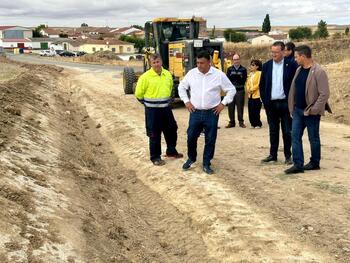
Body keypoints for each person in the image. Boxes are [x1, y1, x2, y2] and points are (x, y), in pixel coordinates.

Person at [178, 50, 236, 174]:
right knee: (191, 136)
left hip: (212, 113)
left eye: (202, 63)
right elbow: (181, 87)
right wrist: (186, 101)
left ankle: (206, 163)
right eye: (197, 63)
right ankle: (191, 158)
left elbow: (231, 90)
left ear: (209, 62)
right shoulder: (191, 74)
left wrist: (223, 104)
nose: (199, 65)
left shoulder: (218, 75)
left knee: (210, 138)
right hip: (195, 112)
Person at [285, 45, 331, 174]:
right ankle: (298, 164)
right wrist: (292, 107)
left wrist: (315, 109)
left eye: (296, 57)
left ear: (303, 56)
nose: (295, 59)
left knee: (313, 138)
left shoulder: (319, 71)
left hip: (311, 112)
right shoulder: (299, 70)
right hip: (298, 111)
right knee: (295, 136)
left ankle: (314, 163)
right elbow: (294, 89)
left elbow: (324, 94)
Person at [135, 54, 183, 166]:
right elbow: (138, 94)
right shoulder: (145, 77)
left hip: (166, 109)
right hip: (152, 111)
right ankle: (155, 157)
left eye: (158, 62)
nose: (156, 64)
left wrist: (168, 102)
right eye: (154, 62)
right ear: (151, 64)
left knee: (172, 129)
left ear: (161, 62)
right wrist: (148, 104)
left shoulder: (167, 74)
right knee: (154, 134)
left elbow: (171, 89)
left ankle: (171, 151)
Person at [260, 41, 298, 164]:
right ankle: (273, 155)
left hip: (285, 104)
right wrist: (265, 102)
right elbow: (262, 85)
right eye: (272, 52)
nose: (274, 54)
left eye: (276, 52)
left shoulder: (291, 65)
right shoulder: (266, 66)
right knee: (273, 130)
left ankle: (288, 156)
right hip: (271, 104)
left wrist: (293, 102)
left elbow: (295, 84)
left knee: (287, 131)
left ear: (283, 51)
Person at [226, 53, 247, 128]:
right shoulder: (229, 69)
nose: (236, 61)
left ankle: (241, 122)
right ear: (232, 60)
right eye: (234, 59)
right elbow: (227, 80)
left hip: (240, 90)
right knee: (230, 107)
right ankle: (232, 122)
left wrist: (236, 78)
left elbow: (243, 80)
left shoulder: (243, 69)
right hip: (231, 91)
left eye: (237, 59)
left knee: (240, 107)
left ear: (239, 60)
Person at [246, 59, 263, 128]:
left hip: (257, 95)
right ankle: (252, 123)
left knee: (256, 110)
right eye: (251, 64)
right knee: (250, 110)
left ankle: (258, 123)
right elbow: (247, 83)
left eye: (253, 65)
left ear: (257, 66)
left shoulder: (259, 73)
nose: (251, 66)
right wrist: (248, 89)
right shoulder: (250, 74)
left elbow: (259, 83)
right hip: (250, 95)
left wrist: (252, 89)